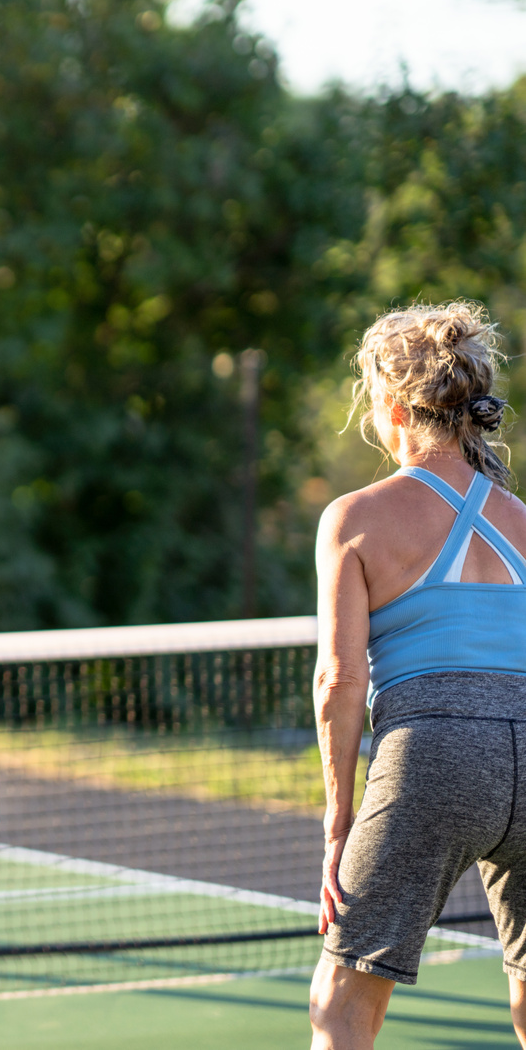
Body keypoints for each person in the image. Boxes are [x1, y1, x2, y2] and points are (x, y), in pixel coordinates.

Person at [311, 302, 526, 1049]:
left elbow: (338, 680)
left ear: (395, 406)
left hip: (432, 755)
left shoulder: (355, 516)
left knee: (340, 1003)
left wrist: (339, 821)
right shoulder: (524, 516)